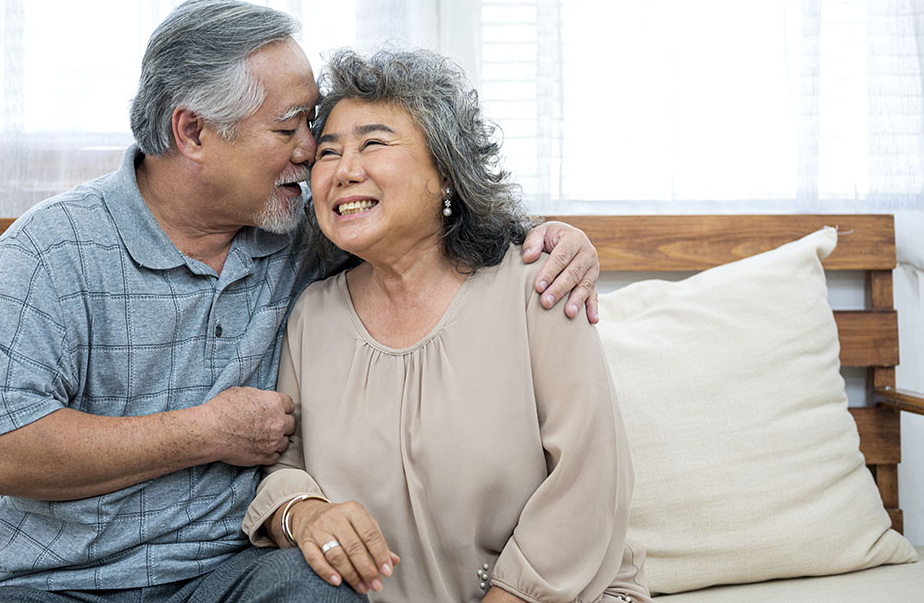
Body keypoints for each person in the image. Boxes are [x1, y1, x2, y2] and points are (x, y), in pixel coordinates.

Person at [0, 0, 601, 602]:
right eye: (291, 128)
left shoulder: (297, 236)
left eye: (310, 125)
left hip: (222, 575)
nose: (311, 152)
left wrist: (556, 238)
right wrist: (207, 431)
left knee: (316, 587)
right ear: (193, 132)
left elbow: (420, 222)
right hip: (52, 581)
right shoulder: (48, 251)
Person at [242, 48, 650, 603]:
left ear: (446, 174)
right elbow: (284, 468)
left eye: (374, 143)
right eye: (328, 153)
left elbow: (589, 475)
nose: (343, 171)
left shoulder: (539, 284)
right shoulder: (312, 315)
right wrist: (305, 512)